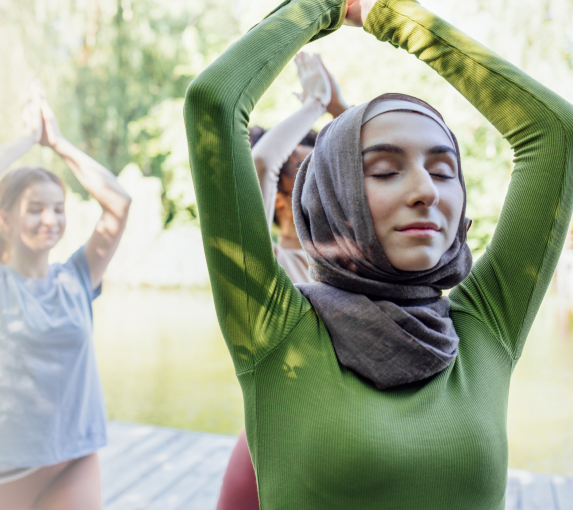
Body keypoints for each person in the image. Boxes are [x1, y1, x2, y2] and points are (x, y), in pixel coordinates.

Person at [183, 0, 573, 507]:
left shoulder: (487, 325)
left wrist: (391, 14)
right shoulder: (274, 329)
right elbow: (213, 104)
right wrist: (324, 8)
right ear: (335, 195)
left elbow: (555, 133)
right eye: (386, 170)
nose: (426, 191)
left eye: (443, 169)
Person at [0, 84, 132, 509]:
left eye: (58, 208)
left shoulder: (78, 279)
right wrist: (26, 142)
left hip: (73, 453)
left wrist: (58, 143)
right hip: (0, 468)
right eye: (35, 208)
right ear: (5, 218)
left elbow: (118, 203)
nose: (50, 219)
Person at [214, 51, 349, 510]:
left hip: (348, 441)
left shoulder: (357, 263)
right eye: (298, 173)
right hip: (269, 440)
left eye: (323, 171)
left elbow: (384, 159)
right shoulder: (262, 261)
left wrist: (339, 107)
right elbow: (261, 162)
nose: (317, 181)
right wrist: (314, 104)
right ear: (274, 200)